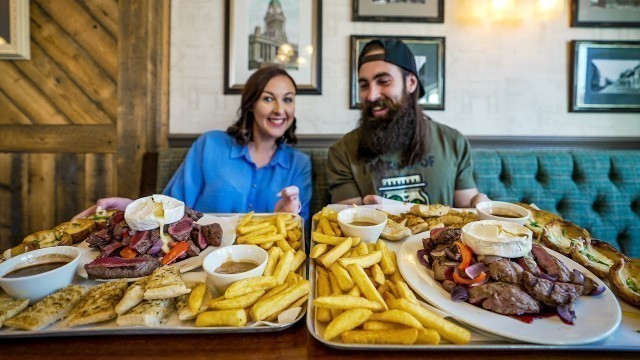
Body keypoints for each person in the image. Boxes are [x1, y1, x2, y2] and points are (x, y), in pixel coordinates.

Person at [75, 65, 312, 221]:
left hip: (264, 266)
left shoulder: (300, 164)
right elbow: (172, 206)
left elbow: (300, 233)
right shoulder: (210, 145)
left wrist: (286, 218)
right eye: (268, 98)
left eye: (288, 100)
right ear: (251, 104)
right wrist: (132, 208)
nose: (280, 109)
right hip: (197, 261)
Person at [327, 38, 488, 208]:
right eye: (364, 85)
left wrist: (481, 208)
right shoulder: (342, 152)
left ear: (411, 83)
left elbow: (466, 212)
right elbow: (349, 224)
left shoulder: (453, 142)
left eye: (383, 81)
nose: (371, 95)